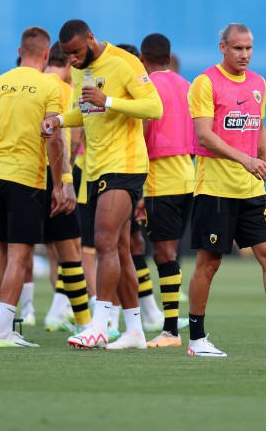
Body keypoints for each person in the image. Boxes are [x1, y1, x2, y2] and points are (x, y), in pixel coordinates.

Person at [185, 23, 266, 358]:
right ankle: (196, 340)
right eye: (237, 49)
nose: (244, 55)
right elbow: (204, 136)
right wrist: (245, 160)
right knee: (208, 263)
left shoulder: (258, 83)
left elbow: (258, 130)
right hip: (214, 189)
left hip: (250, 190)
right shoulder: (205, 83)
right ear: (222, 48)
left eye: (249, 49)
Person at [42, 19, 163, 350]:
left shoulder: (125, 63)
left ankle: (100, 323)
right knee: (120, 248)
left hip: (125, 166)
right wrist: (58, 120)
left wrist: (108, 100)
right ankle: (135, 330)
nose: (73, 61)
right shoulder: (79, 69)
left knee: (104, 241)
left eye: (77, 53)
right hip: (93, 168)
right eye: (67, 56)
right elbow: (84, 111)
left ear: (91, 39)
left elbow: (155, 107)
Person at [0, 26, 74, 348]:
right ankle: (3, 332)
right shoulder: (48, 86)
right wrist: (59, 185)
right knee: (20, 254)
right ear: (46, 54)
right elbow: (54, 138)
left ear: (19, 51)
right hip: (27, 178)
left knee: (0, 248)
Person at [133, 33, 195, 348]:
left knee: (163, 254)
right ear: (169, 60)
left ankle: (170, 330)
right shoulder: (188, 87)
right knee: (170, 254)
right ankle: (170, 326)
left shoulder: (147, 88)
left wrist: (139, 190)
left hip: (160, 179)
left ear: (143, 59)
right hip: (189, 176)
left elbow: (143, 138)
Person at [40, 42, 93, 333]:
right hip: (55, 174)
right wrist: (65, 178)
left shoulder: (31, 80)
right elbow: (65, 136)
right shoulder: (63, 87)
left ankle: (53, 312)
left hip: (21, 176)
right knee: (72, 248)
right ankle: (83, 322)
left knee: (42, 252)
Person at [114, 42, 165, 334]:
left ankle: (147, 314)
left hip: (131, 176)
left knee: (131, 245)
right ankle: (106, 318)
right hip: (109, 176)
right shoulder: (116, 93)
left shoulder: (139, 99)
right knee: (108, 247)